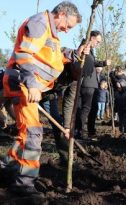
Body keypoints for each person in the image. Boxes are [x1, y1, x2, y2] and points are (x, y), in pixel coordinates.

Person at [0, 1, 88, 197]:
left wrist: (74, 53)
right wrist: (31, 83)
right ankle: (24, 185)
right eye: (68, 25)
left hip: (26, 84)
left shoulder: (50, 31)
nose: (66, 30)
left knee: (27, 133)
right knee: (33, 133)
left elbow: (51, 55)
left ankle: (7, 166)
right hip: (22, 83)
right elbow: (24, 53)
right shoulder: (40, 23)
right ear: (62, 13)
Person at [75, 30, 111, 139]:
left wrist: (104, 63)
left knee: (90, 108)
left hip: (90, 83)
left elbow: (92, 63)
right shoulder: (84, 48)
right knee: (86, 109)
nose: (98, 43)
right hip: (87, 84)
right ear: (92, 38)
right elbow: (79, 58)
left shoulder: (90, 50)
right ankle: (80, 131)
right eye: (98, 41)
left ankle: (87, 131)